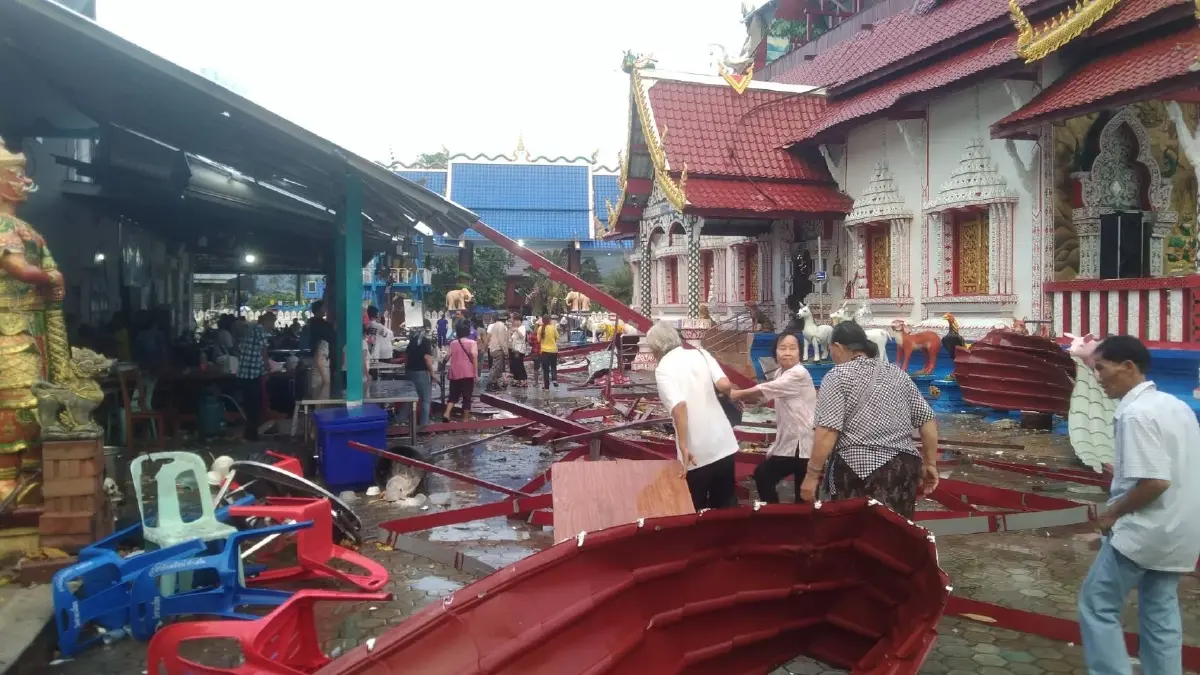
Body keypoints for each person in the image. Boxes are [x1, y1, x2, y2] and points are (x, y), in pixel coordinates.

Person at [1077, 336, 1200, 675]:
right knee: (1160, 613)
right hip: (1182, 530)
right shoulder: (1177, 406)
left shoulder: (1135, 414)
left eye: (1101, 369)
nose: (1098, 378)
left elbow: (1155, 482)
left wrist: (1112, 513)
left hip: (1144, 532)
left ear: (1128, 367)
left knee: (1097, 605)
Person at [801, 322, 939, 518]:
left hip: (858, 471)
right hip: (904, 470)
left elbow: (828, 431)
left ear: (838, 347)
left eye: (831, 349)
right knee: (895, 537)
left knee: (854, 538)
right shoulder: (897, 373)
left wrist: (812, 475)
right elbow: (927, 421)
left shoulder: (837, 376)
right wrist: (930, 464)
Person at [648, 321, 738, 510]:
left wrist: (682, 445)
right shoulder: (701, 353)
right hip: (724, 443)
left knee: (694, 507)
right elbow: (725, 385)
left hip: (697, 453)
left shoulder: (663, 369)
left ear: (655, 349)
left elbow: (679, 406)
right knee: (725, 504)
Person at [730, 332, 816, 503]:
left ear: (800, 353)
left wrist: (737, 393)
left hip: (802, 442)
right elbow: (763, 397)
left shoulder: (798, 373)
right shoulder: (780, 372)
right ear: (775, 351)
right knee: (798, 492)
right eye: (782, 348)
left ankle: (777, 516)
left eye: (793, 348)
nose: (787, 353)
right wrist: (740, 400)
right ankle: (782, 519)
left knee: (765, 475)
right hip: (792, 440)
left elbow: (766, 388)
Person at [237, 311, 275, 441]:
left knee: (250, 405)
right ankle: (252, 435)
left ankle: (249, 434)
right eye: (272, 322)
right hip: (252, 374)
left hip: (244, 374)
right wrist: (267, 365)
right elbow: (263, 349)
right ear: (267, 321)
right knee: (255, 405)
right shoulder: (259, 329)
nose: (273, 326)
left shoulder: (251, 328)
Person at [442, 320, 478, 423]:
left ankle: (447, 413)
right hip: (467, 373)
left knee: (453, 395)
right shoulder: (472, 343)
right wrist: (475, 373)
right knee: (467, 397)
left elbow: (447, 356)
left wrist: (442, 364)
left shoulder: (453, 343)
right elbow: (474, 356)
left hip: (454, 373)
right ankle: (465, 419)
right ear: (467, 332)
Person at [405, 321, 435, 426]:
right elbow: (427, 358)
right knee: (425, 400)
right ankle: (424, 423)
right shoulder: (426, 342)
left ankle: (400, 419)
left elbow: (406, 356)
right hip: (422, 373)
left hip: (410, 372)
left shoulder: (412, 340)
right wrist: (432, 373)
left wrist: (406, 369)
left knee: (409, 398)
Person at [485, 314, 509, 392]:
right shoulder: (501, 326)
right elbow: (502, 340)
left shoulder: (495, 326)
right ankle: (489, 384)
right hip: (498, 349)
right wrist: (505, 351)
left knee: (498, 368)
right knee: (495, 368)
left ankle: (495, 383)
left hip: (493, 348)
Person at [536, 314, 560, 390]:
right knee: (553, 366)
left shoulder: (540, 328)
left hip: (544, 351)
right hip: (553, 350)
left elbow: (538, 340)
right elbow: (558, 337)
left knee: (545, 370)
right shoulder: (553, 327)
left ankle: (546, 387)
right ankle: (554, 379)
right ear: (550, 320)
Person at [508, 314, 529, 387]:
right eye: (515, 320)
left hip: (519, 350)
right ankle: (518, 380)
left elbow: (522, 336)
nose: (515, 322)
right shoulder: (517, 328)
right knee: (516, 366)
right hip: (515, 349)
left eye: (516, 321)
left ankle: (524, 380)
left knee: (519, 365)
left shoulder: (522, 328)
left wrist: (516, 330)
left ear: (519, 321)